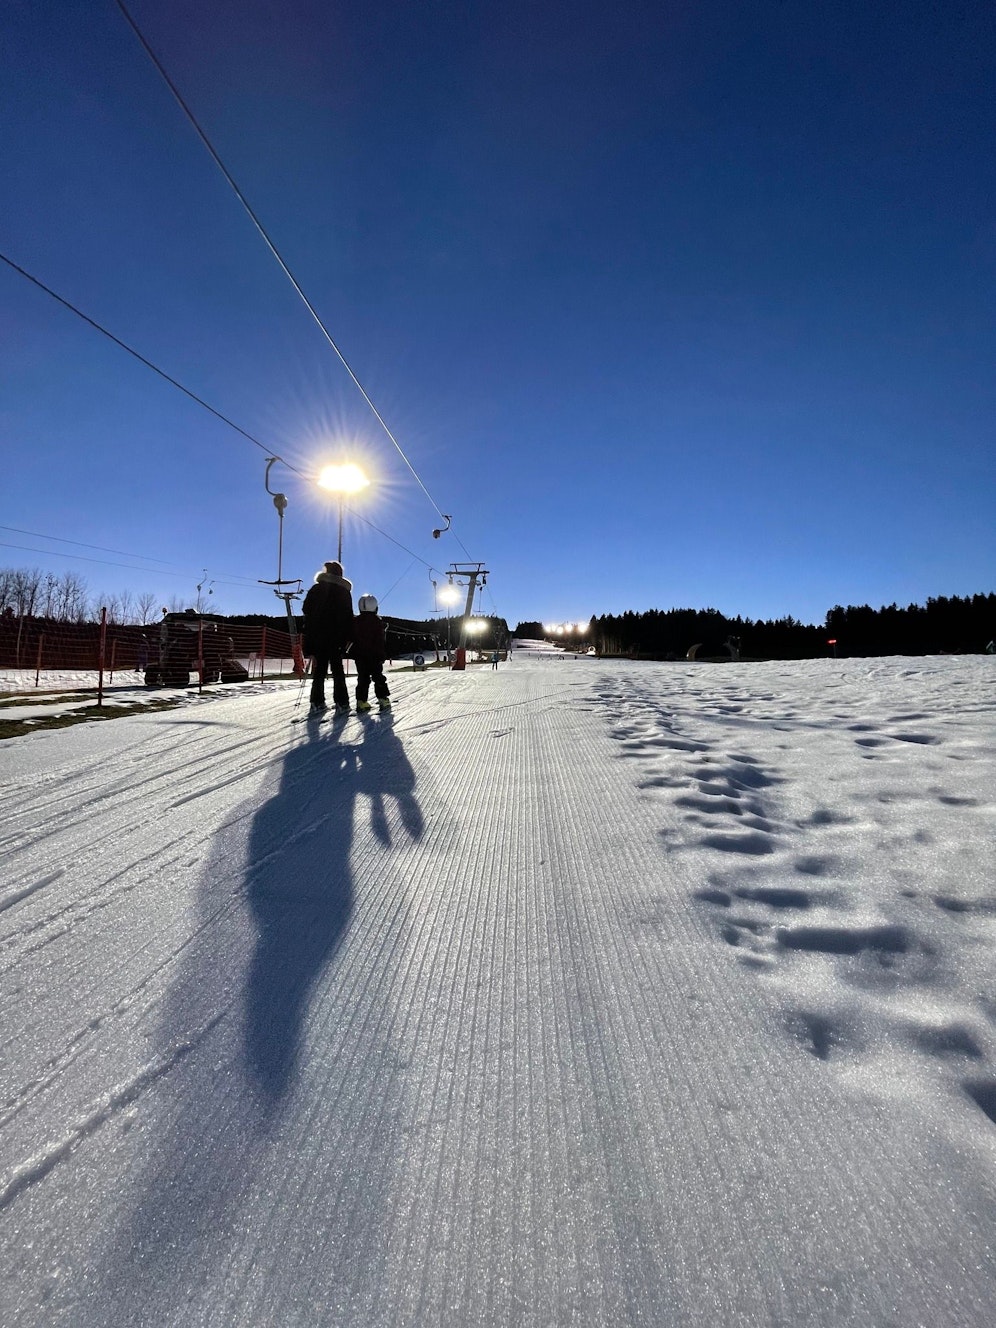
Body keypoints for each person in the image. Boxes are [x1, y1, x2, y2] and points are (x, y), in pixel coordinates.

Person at [302, 560, 354, 714]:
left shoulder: (316, 588)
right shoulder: (344, 592)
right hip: (336, 637)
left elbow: (306, 609)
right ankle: (342, 702)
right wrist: (349, 637)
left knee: (319, 670)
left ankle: (316, 702)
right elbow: (348, 617)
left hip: (317, 636)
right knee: (337, 670)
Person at [351, 594, 391, 712]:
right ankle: (383, 699)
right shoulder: (377, 622)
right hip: (374, 656)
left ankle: (361, 701)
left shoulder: (355, 621)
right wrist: (382, 655)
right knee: (378, 677)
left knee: (362, 678)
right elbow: (379, 642)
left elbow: (352, 637)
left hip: (360, 656)